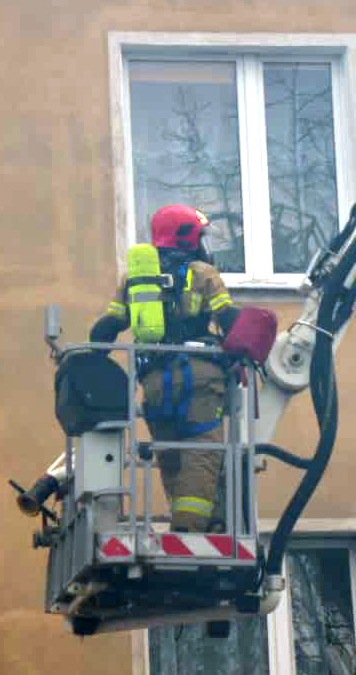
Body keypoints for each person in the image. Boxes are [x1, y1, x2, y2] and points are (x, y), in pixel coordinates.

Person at [89, 205, 240, 532]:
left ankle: (197, 520)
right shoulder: (202, 272)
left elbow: (107, 327)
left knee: (171, 456)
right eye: (199, 236)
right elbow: (229, 318)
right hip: (199, 377)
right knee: (203, 451)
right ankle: (191, 528)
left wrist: (90, 357)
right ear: (186, 237)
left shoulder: (135, 279)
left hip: (155, 382)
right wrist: (247, 350)